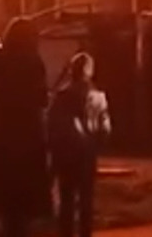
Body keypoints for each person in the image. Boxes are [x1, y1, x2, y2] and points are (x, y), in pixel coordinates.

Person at [0, 16, 51, 237]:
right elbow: (41, 99)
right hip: (28, 136)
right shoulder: (32, 63)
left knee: (8, 200)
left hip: (2, 135)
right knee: (25, 198)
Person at [48, 52, 111, 237]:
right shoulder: (98, 98)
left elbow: (52, 125)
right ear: (89, 72)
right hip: (87, 155)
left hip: (66, 154)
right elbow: (105, 128)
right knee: (86, 201)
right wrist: (97, 142)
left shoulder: (61, 96)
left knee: (66, 200)